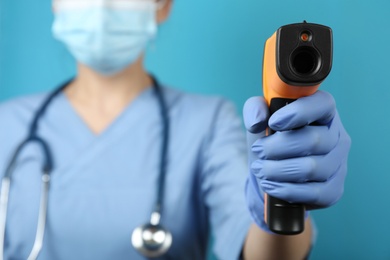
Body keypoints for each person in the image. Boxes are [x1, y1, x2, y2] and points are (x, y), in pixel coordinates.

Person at [0, 0, 351, 259]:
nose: (102, 4)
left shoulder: (207, 122)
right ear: (55, 5)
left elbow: (262, 254)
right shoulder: (7, 125)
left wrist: (280, 204)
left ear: (162, 5)